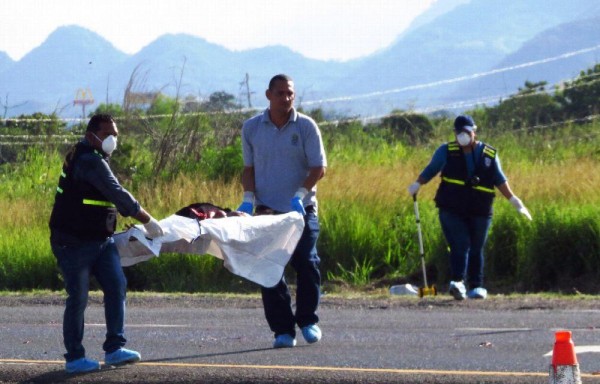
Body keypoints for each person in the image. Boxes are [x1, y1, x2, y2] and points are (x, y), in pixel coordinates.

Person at [49, 114, 164, 373]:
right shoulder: (89, 159)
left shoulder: (95, 157)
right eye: (108, 133)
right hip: (73, 241)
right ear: (92, 136)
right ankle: (75, 358)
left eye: (116, 134)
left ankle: (115, 349)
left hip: (100, 239)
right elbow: (117, 193)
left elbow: (101, 201)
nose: (113, 139)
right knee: (78, 297)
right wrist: (148, 221)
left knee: (116, 285)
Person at [237, 74, 327, 348]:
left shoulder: (306, 126)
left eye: (290, 93)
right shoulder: (252, 128)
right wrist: (248, 198)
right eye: (280, 93)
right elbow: (249, 169)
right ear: (268, 95)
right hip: (266, 212)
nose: (286, 98)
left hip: (301, 210)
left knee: (307, 262)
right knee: (269, 270)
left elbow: (319, 167)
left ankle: (308, 320)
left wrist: (300, 195)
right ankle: (283, 331)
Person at [407, 115, 531, 300]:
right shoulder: (446, 151)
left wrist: (515, 201)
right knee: (461, 243)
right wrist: (418, 184)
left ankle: (476, 286)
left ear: (473, 131)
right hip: (451, 207)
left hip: (480, 208)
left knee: (476, 247)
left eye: (466, 131)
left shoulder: (489, 154)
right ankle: (457, 283)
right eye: (458, 132)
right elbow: (431, 169)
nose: (462, 135)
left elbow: (499, 179)